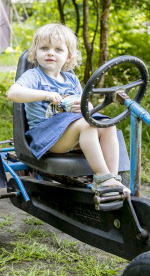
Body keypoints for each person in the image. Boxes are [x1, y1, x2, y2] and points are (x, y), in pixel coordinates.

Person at [7, 23, 128, 194]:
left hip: (69, 132)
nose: (50, 52)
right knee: (87, 125)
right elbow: (13, 93)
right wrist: (45, 95)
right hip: (45, 135)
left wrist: (88, 106)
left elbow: (83, 105)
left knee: (108, 125)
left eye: (58, 49)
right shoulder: (34, 76)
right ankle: (102, 178)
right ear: (35, 52)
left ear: (68, 56)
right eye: (44, 48)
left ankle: (113, 179)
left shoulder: (71, 80)